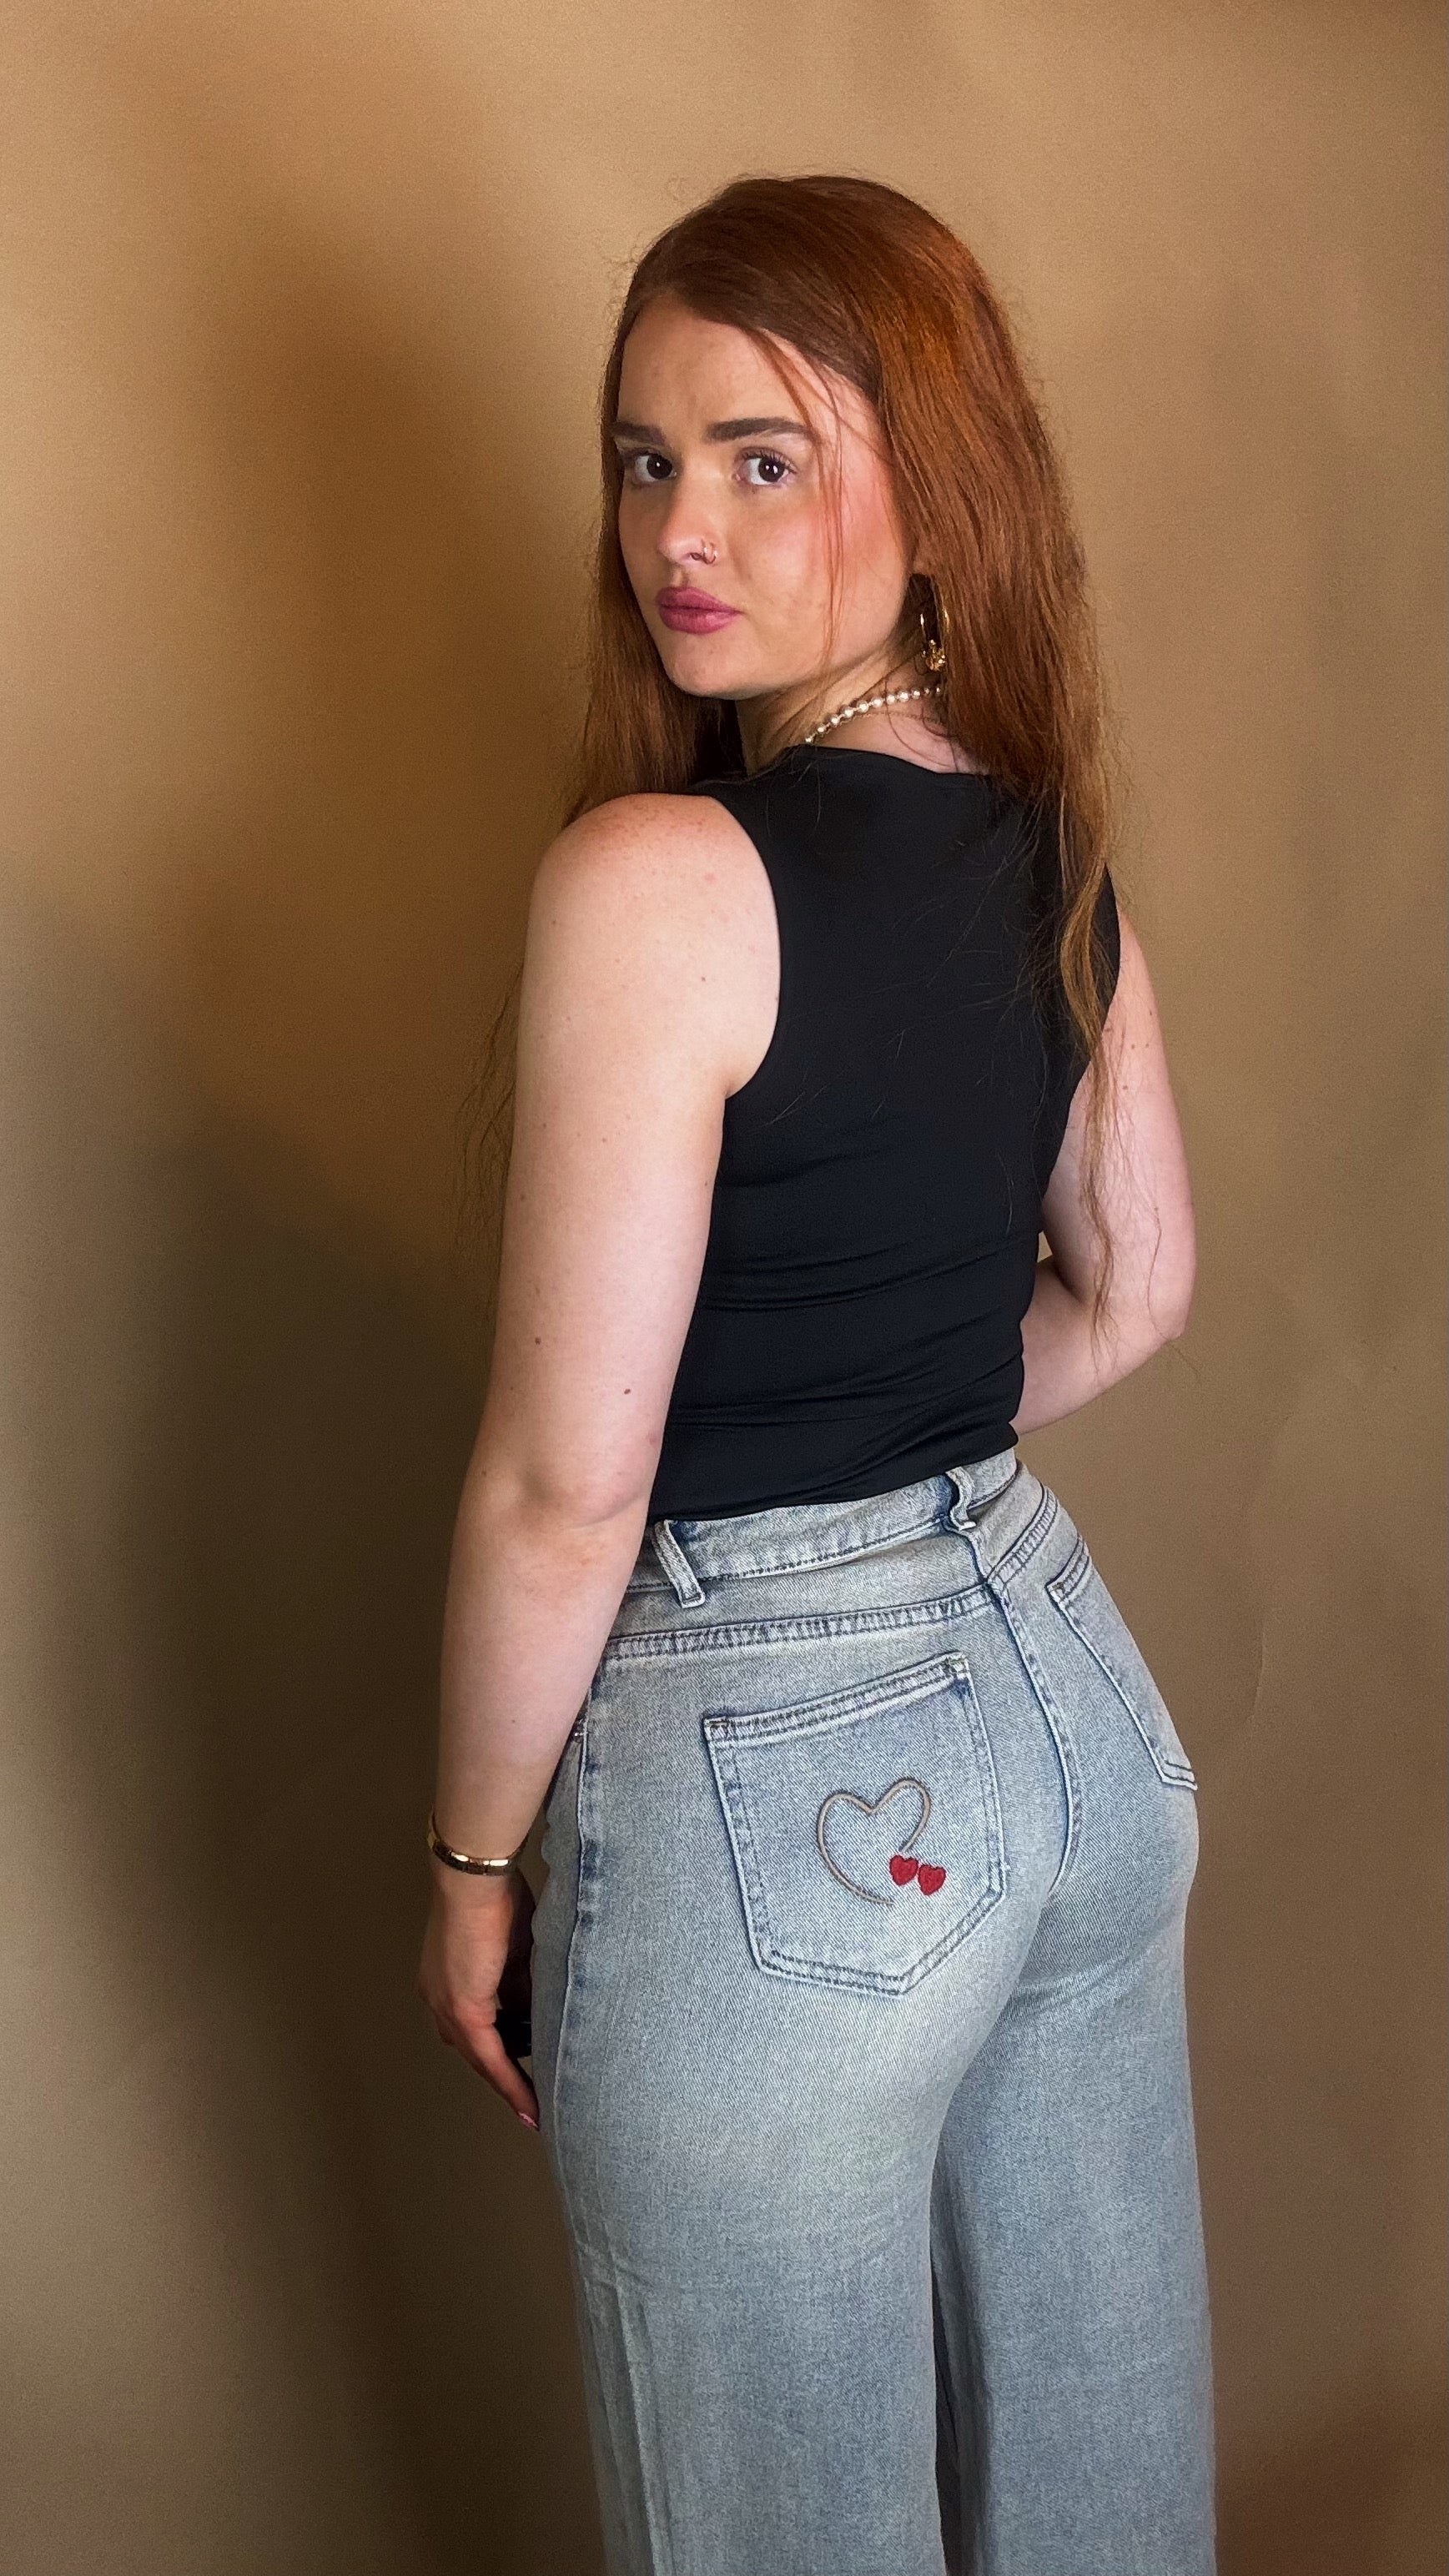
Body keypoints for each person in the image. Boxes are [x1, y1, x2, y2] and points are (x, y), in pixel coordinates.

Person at [416, 174, 1215, 2576]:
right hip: (1067, 1716)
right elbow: (1136, 1289)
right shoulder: (1051, 844)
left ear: (936, 491)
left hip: (781, 1787)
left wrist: (473, 1862)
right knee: (1098, 2508)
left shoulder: (655, 878)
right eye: (645, 459)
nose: (681, 528)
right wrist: (897, 1466)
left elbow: (567, 1488)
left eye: (764, 459)